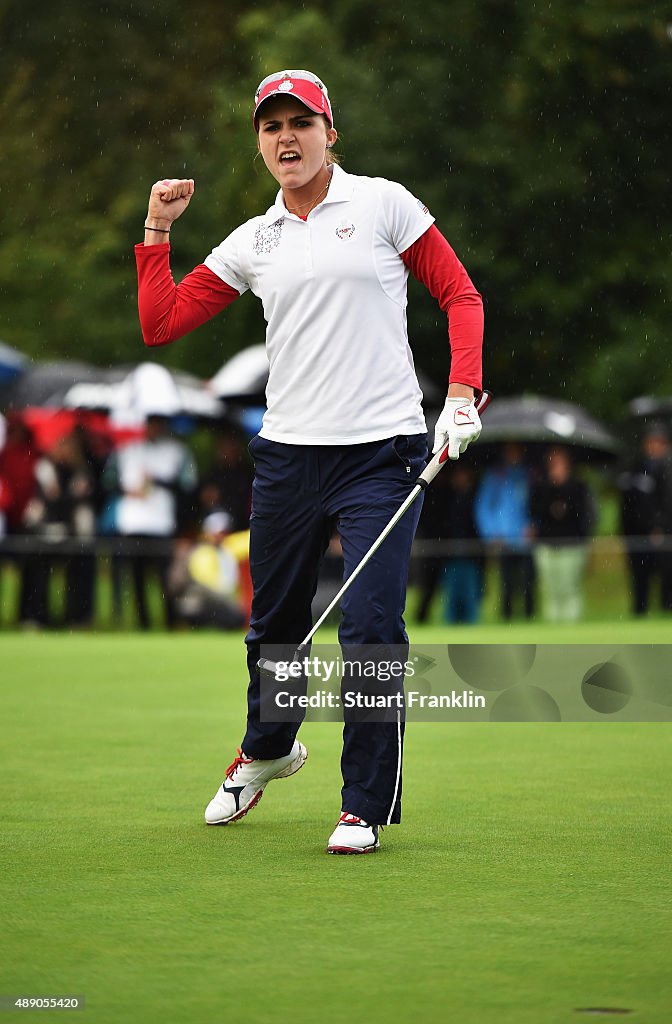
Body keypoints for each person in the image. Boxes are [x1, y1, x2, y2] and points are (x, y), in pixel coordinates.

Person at [135, 69, 484, 854]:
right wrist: (157, 229)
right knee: (277, 629)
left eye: (301, 122)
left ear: (331, 132)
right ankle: (267, 750)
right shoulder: (253, 240)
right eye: (271, 127)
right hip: (289, 455)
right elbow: (160, 323)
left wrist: (461, 393)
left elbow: (460, 295)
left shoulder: (383, 204)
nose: (286, 137)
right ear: (259, 144)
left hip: (383, 452)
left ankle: (362, 804)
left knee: (368, 629)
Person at [529, 446, 594, 622]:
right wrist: (551, 487)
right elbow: (534, 510)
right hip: (547, 544)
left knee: (569, 586)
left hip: (572, 544)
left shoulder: (578, 486)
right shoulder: (541, 486)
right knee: (550, 587)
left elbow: (584, 514)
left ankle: (571, 624)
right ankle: (553, 624)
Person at [474, 442, 535, 620]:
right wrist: (492, 533)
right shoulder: (495, 476)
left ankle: (529, 620)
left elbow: (536, 504)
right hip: (504, 539)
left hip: (525, 540)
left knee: (528, 584)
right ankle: (507, 620)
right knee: (506, 584)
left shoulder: (528, 474)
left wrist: (533, 526)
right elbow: (483, 507)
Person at [617, 421, 672, 614]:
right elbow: (627, 502)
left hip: (662, 534)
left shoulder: (667, 468)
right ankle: (640, 610)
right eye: (650, 442)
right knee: (640, 575)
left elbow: (665, 503)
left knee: (666, 574)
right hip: (636, 531)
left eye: (658, 442)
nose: (653, 447)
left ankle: (666, 609)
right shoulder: (636, 466)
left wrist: (659, 527)